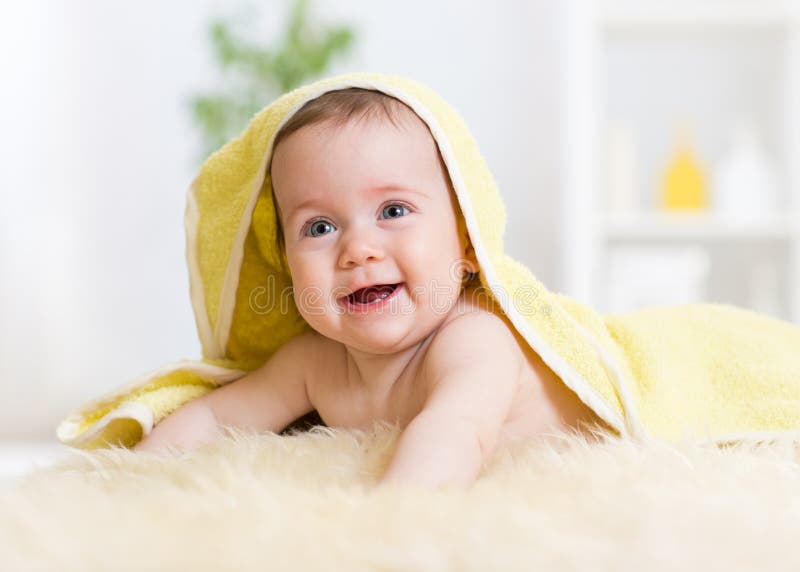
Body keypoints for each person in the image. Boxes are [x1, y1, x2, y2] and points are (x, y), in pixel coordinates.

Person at [133, 88, 605, 489]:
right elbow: (217, 420)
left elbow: (454, 434)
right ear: (286, 264)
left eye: (393, 211)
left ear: (466, 241)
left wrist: (386, 525)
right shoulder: (314, 362)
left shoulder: (474, 341)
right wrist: (131, 476)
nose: (358, 249)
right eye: (318, 227)